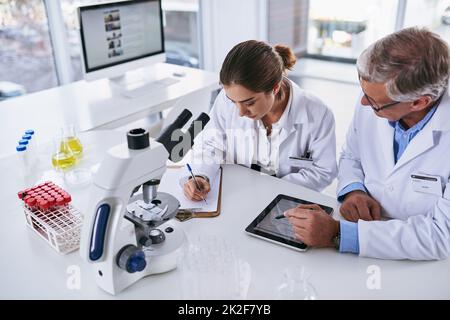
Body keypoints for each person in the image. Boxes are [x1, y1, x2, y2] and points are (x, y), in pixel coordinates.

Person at [284, 27, 450, 260]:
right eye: (363, 91)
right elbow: (352, 154)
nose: (363, 103)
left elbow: (441, 235)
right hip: (368, 231)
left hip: (427, 259)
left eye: (374, 103)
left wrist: (338, 233)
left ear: (419, 102)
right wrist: (353, 190)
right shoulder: (377, 95)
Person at [183, 40, 337, 201]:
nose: (240, 112)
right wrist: (201, 174)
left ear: (275, 88)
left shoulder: (318, 113)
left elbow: (323, 171)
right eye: (233, 101)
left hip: (290, 201)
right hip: (240, 195)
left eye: (249, 102)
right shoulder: (226, 100)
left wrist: (271, 188)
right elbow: (210, 143)